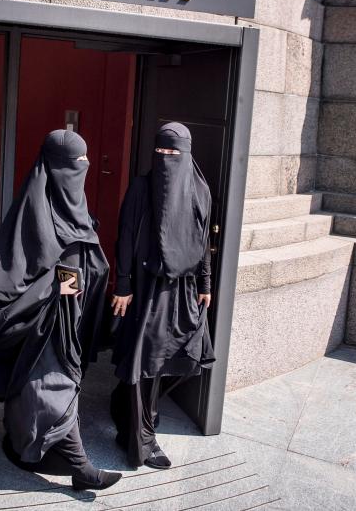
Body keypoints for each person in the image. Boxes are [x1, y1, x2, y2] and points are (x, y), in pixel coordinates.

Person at [0, 129, 121, 491]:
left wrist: (80, 285)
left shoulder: (73, 205)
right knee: (57, 385)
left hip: (69, 317)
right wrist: (62, 287)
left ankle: (22, 439)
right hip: (44, 321)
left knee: (35, 385)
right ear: (56, 166)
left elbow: (78, 262)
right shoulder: (35, 213)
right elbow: (14, 273)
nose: (83, 167)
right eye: (75, 162)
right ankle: (82, 467)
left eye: (85, 160)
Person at [109, 122, 216, 469]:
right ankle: (143, 437)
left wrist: (205, 284)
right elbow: (125, 236)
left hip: (182, 289)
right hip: (145, 288)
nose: (167, 159)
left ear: (187, 154)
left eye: (174, 153)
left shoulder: (200, 190)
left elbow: (202, 244)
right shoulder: (141, 187)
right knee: (146, 362)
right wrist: (122, 285)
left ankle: (131, 415)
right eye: (161, 152)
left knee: (167, 361)